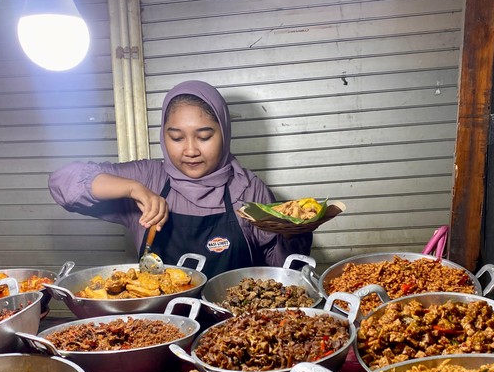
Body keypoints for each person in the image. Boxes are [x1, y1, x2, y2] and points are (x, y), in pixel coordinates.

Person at [48, 80, 313, 278]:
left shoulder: (249, 190)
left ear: (225, 133)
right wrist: (132, 189)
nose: (190, 150)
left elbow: (285, 271)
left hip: (239, 336)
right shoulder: (149, 177)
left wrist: (295, 231)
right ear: (164, 136)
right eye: (176, 137)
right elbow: (62, 184)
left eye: (204, 136)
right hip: (160, 331)